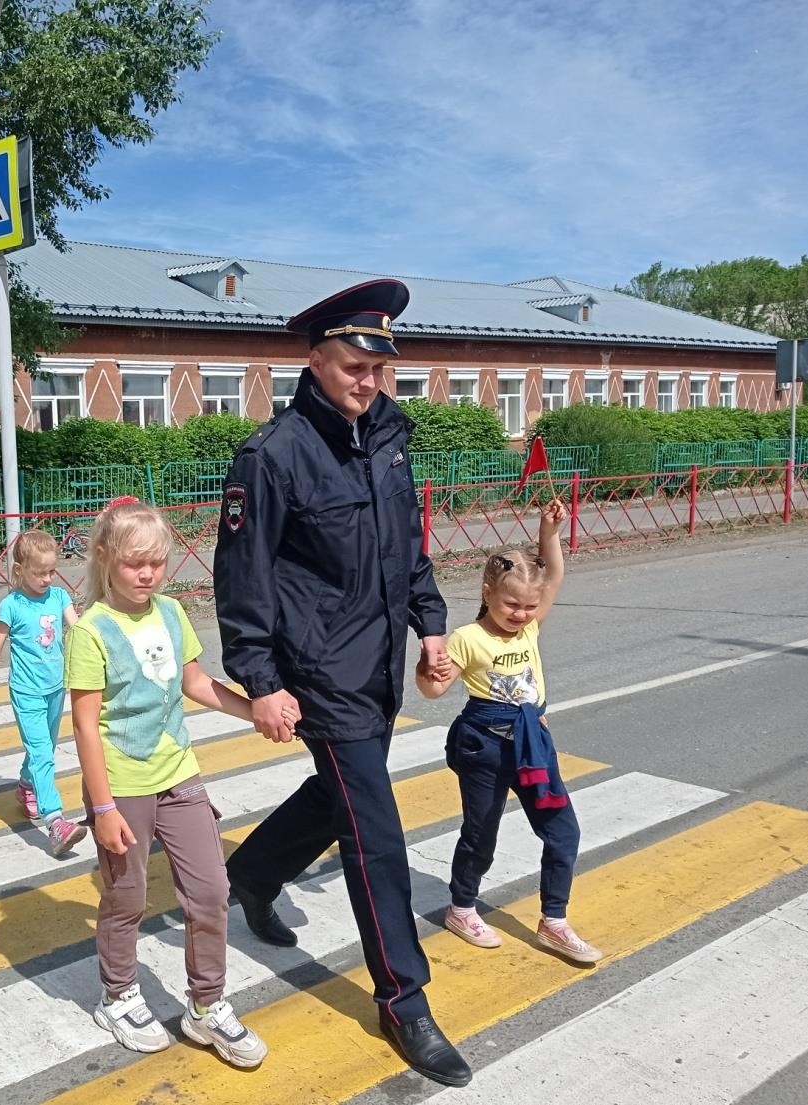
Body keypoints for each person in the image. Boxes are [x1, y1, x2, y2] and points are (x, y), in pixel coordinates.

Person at [213, 279, 471, 1087]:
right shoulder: (273, 454)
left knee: (341, 797)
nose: (370, 380)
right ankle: (405, 997)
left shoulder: (389, 437)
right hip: (318, 673)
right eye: (355, 364)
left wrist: (430, 625)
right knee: (376, 831)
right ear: (316, 359)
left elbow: (408, 552)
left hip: (379, 670)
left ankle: (252, 873)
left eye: (379, 366)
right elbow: (241, 581)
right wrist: (259, 679)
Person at [67, 500, 267, 1069]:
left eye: (156, 562)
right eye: (135, 564)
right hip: (122, 784)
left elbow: (197, 683)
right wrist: (102, 807)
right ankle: (118, 993)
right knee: (127, 897)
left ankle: (206, 1005)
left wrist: (253, 711)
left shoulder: (172, 613)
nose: (148, 574)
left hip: (180, 774)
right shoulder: (91, 632)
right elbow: (84, 724)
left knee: (210, 892)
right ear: (106, 558)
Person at [415, 499, 600, 964]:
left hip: (533, 742)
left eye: (529, 606)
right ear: (488, 593)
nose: (520, 614)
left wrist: (549, 532)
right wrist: (427, 670)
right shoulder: (467, 638)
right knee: (482, 833)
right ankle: (461, 907)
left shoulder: (530, 629)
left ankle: (553, 921)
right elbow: (434, 692)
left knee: (563, 831)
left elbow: (552, 574)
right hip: (485, 741)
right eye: (511, 604)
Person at [0, 528, 86, 856]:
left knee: (44, 751)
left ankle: (26, 785)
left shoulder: (59, 597)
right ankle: (55, 821)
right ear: (19, 569)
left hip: (56, 688)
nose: (46, 579)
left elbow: (77, 630)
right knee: (41, 753)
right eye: (39, 572)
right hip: (26, 691)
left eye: (51, 571)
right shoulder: (12, 605)